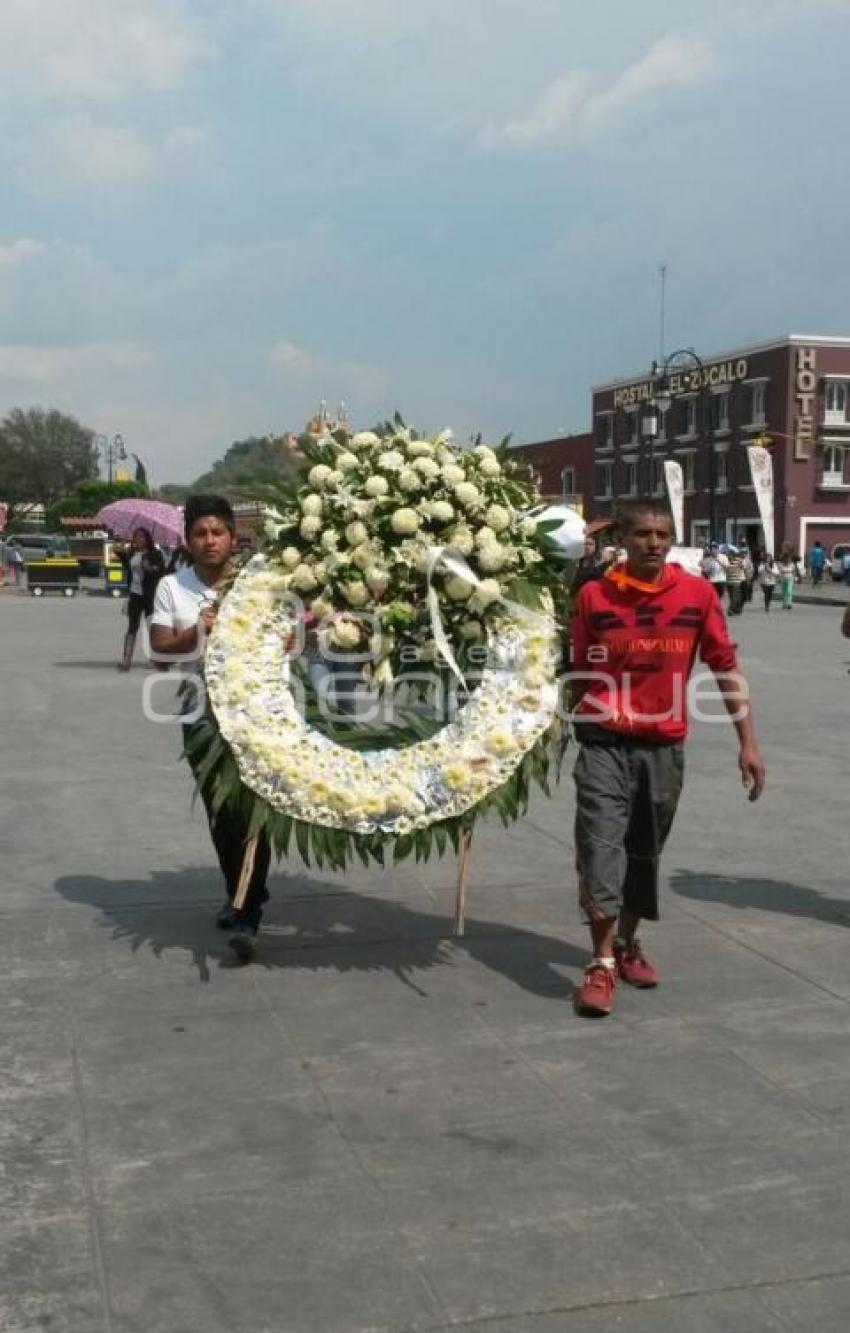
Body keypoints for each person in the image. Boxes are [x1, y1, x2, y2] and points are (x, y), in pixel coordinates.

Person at [570, 497, 765, 1018]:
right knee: (600, 844)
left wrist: (747, 741)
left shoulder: (697, 594)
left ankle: (629, 942)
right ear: (622, 541)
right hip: (603, 741)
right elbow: (576, 667)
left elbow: (725, 666)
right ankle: (602, 962)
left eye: (661, 535)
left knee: (643, 851)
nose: (652, 543)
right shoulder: (593, 596)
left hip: (664, 745)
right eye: (642, 535)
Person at [149, 495, 271, 962]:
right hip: (200, 716)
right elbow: (160, 655)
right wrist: (196, 630)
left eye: (217, 531)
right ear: (187, 540)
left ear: (232, 536)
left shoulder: (257, 584)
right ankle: (237, 896)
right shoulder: (171, 587)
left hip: (257, 712)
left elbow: (289, 643)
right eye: (200, 533)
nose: (209, 541)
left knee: (255, 812)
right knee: (222, 815)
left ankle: (249, 911)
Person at [117, 528, 164, 670]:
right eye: (136, 537)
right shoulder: (132, 553)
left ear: (147, 539)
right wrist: (122, 551)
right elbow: (126, 566)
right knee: (132, 626)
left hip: (149, 595)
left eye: (141, 537)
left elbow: (160, 570)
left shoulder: (155, 553)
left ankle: (154, 658)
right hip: (135, 594)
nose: (138, 539)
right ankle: (126, 660)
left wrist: (149, 568)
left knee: (151, 626)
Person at [725, 546, 746, 616]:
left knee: (735, 596)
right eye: (728, 555)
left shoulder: (738, 560)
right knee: (731, 597)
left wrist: (739, 568)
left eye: (730, 555)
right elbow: (725, 569)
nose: (729, 556)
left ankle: (731, 609)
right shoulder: (726, 561)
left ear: (733, 555)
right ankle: (736, 609)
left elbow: (742, 567)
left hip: (736, 581)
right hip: (729, 582)